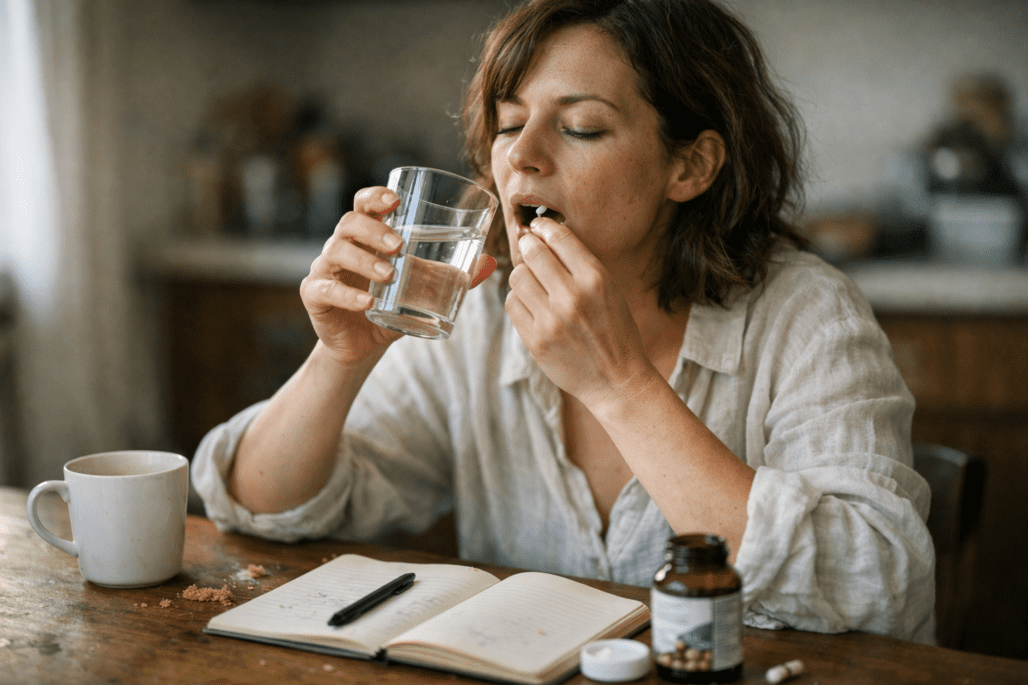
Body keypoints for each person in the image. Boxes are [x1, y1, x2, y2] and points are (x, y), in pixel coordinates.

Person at [193, 0, 936, 644]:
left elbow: (878, 584)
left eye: (581, 127)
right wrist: (342, 357)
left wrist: (620, 385)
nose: (523, 156)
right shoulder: (478, 313)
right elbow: (260, 506)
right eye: (510, 123)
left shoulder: (806, 315)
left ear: (691, 166)